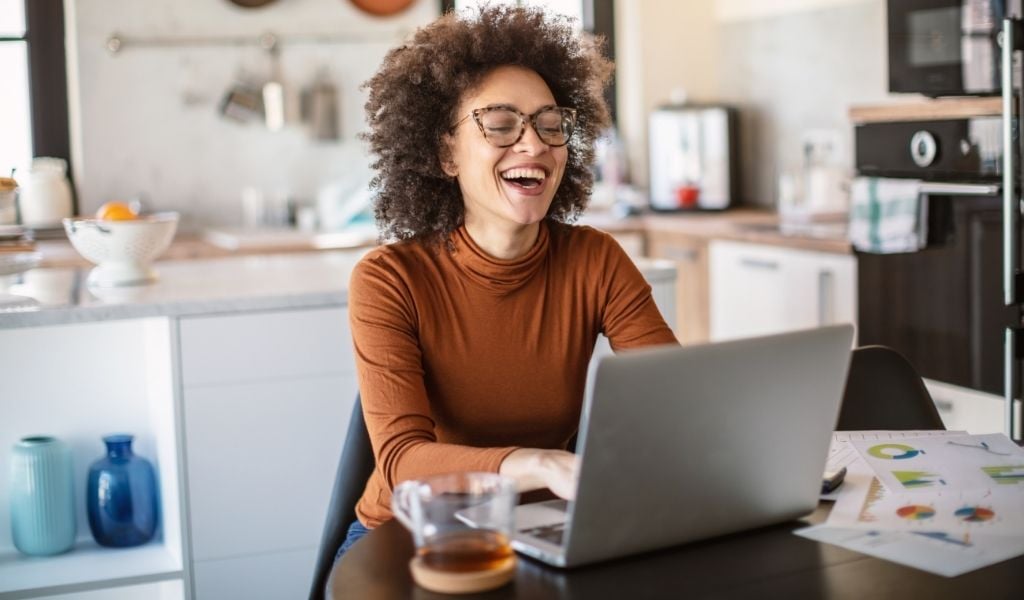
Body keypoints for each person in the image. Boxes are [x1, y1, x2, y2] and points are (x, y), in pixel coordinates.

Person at [336, 4, 678, 559]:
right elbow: (403, 463)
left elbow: (671, 396)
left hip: (542, 527)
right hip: (407, 537)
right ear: (445, 152)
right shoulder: (389, 279)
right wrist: (538, 461)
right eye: (500, 125)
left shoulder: (596, 259)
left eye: (550, 125)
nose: (535, 145)